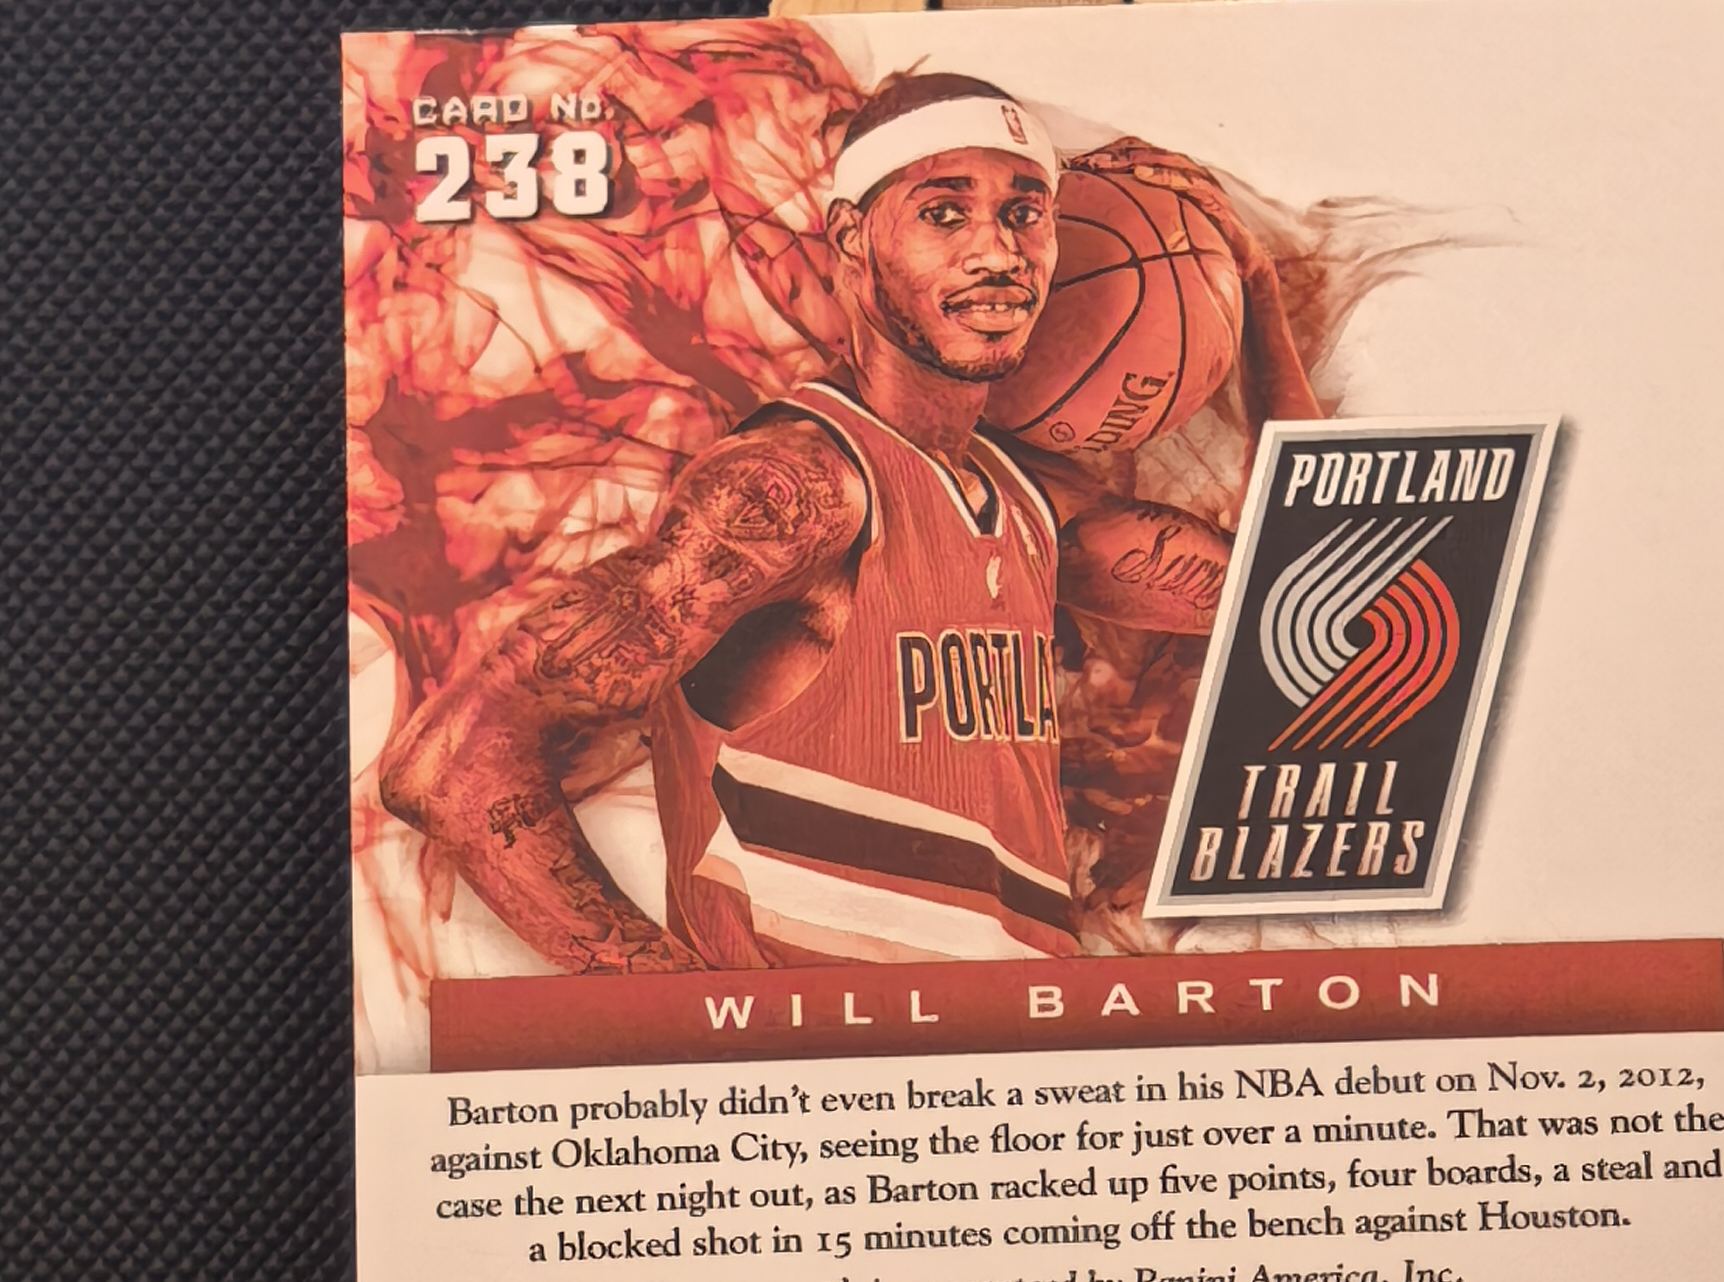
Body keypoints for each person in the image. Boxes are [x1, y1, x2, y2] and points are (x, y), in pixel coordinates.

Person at [378, 70, 1316, 971]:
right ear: (853, 238)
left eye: (1025, 214)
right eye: (943, 213)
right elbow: (454, 766)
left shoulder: (1030, 508)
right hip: (835, 1070)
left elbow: (1299, 589)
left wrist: (1256, 291)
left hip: (1016, 1048)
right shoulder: (794, 489)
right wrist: (684, 1019)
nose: (998, 253)